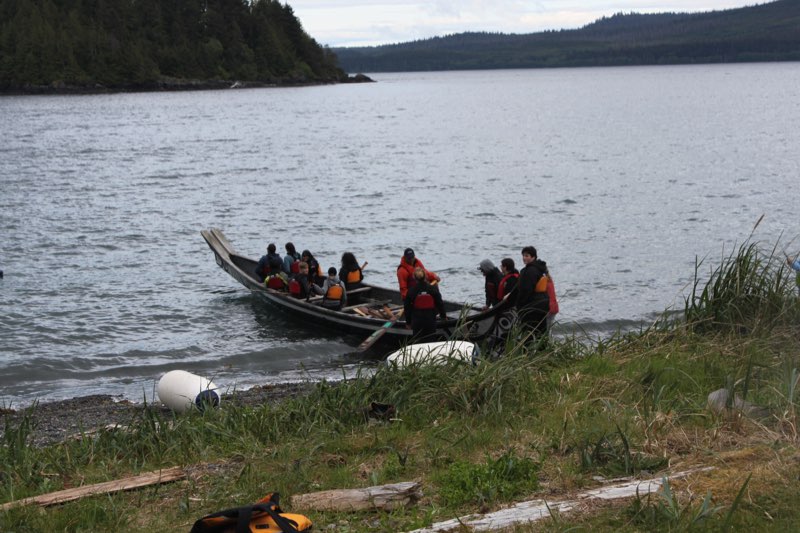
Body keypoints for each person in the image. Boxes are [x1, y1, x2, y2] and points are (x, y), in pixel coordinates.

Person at [515, 246, 551, 341]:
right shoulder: (541, 269)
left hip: (532, 306)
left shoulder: (530, 271)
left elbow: (526, 290)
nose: (524, 258)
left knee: (528, 332)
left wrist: (519, 306)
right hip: (543, 304)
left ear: (533, 257)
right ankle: (543, 352)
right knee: (541, 332)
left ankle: (526, 353)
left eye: (527, 256)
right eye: (523, 255)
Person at [404, 267, 447, 341]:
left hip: (417, 321)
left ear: (414, 278)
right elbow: (440, 303)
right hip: (430, 320)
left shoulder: (411, 291)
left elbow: (407, 308)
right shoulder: (433, 289)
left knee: (418, 343)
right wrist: (443, 316)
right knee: (430, 342)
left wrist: (408, 323)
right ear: (425, 276)